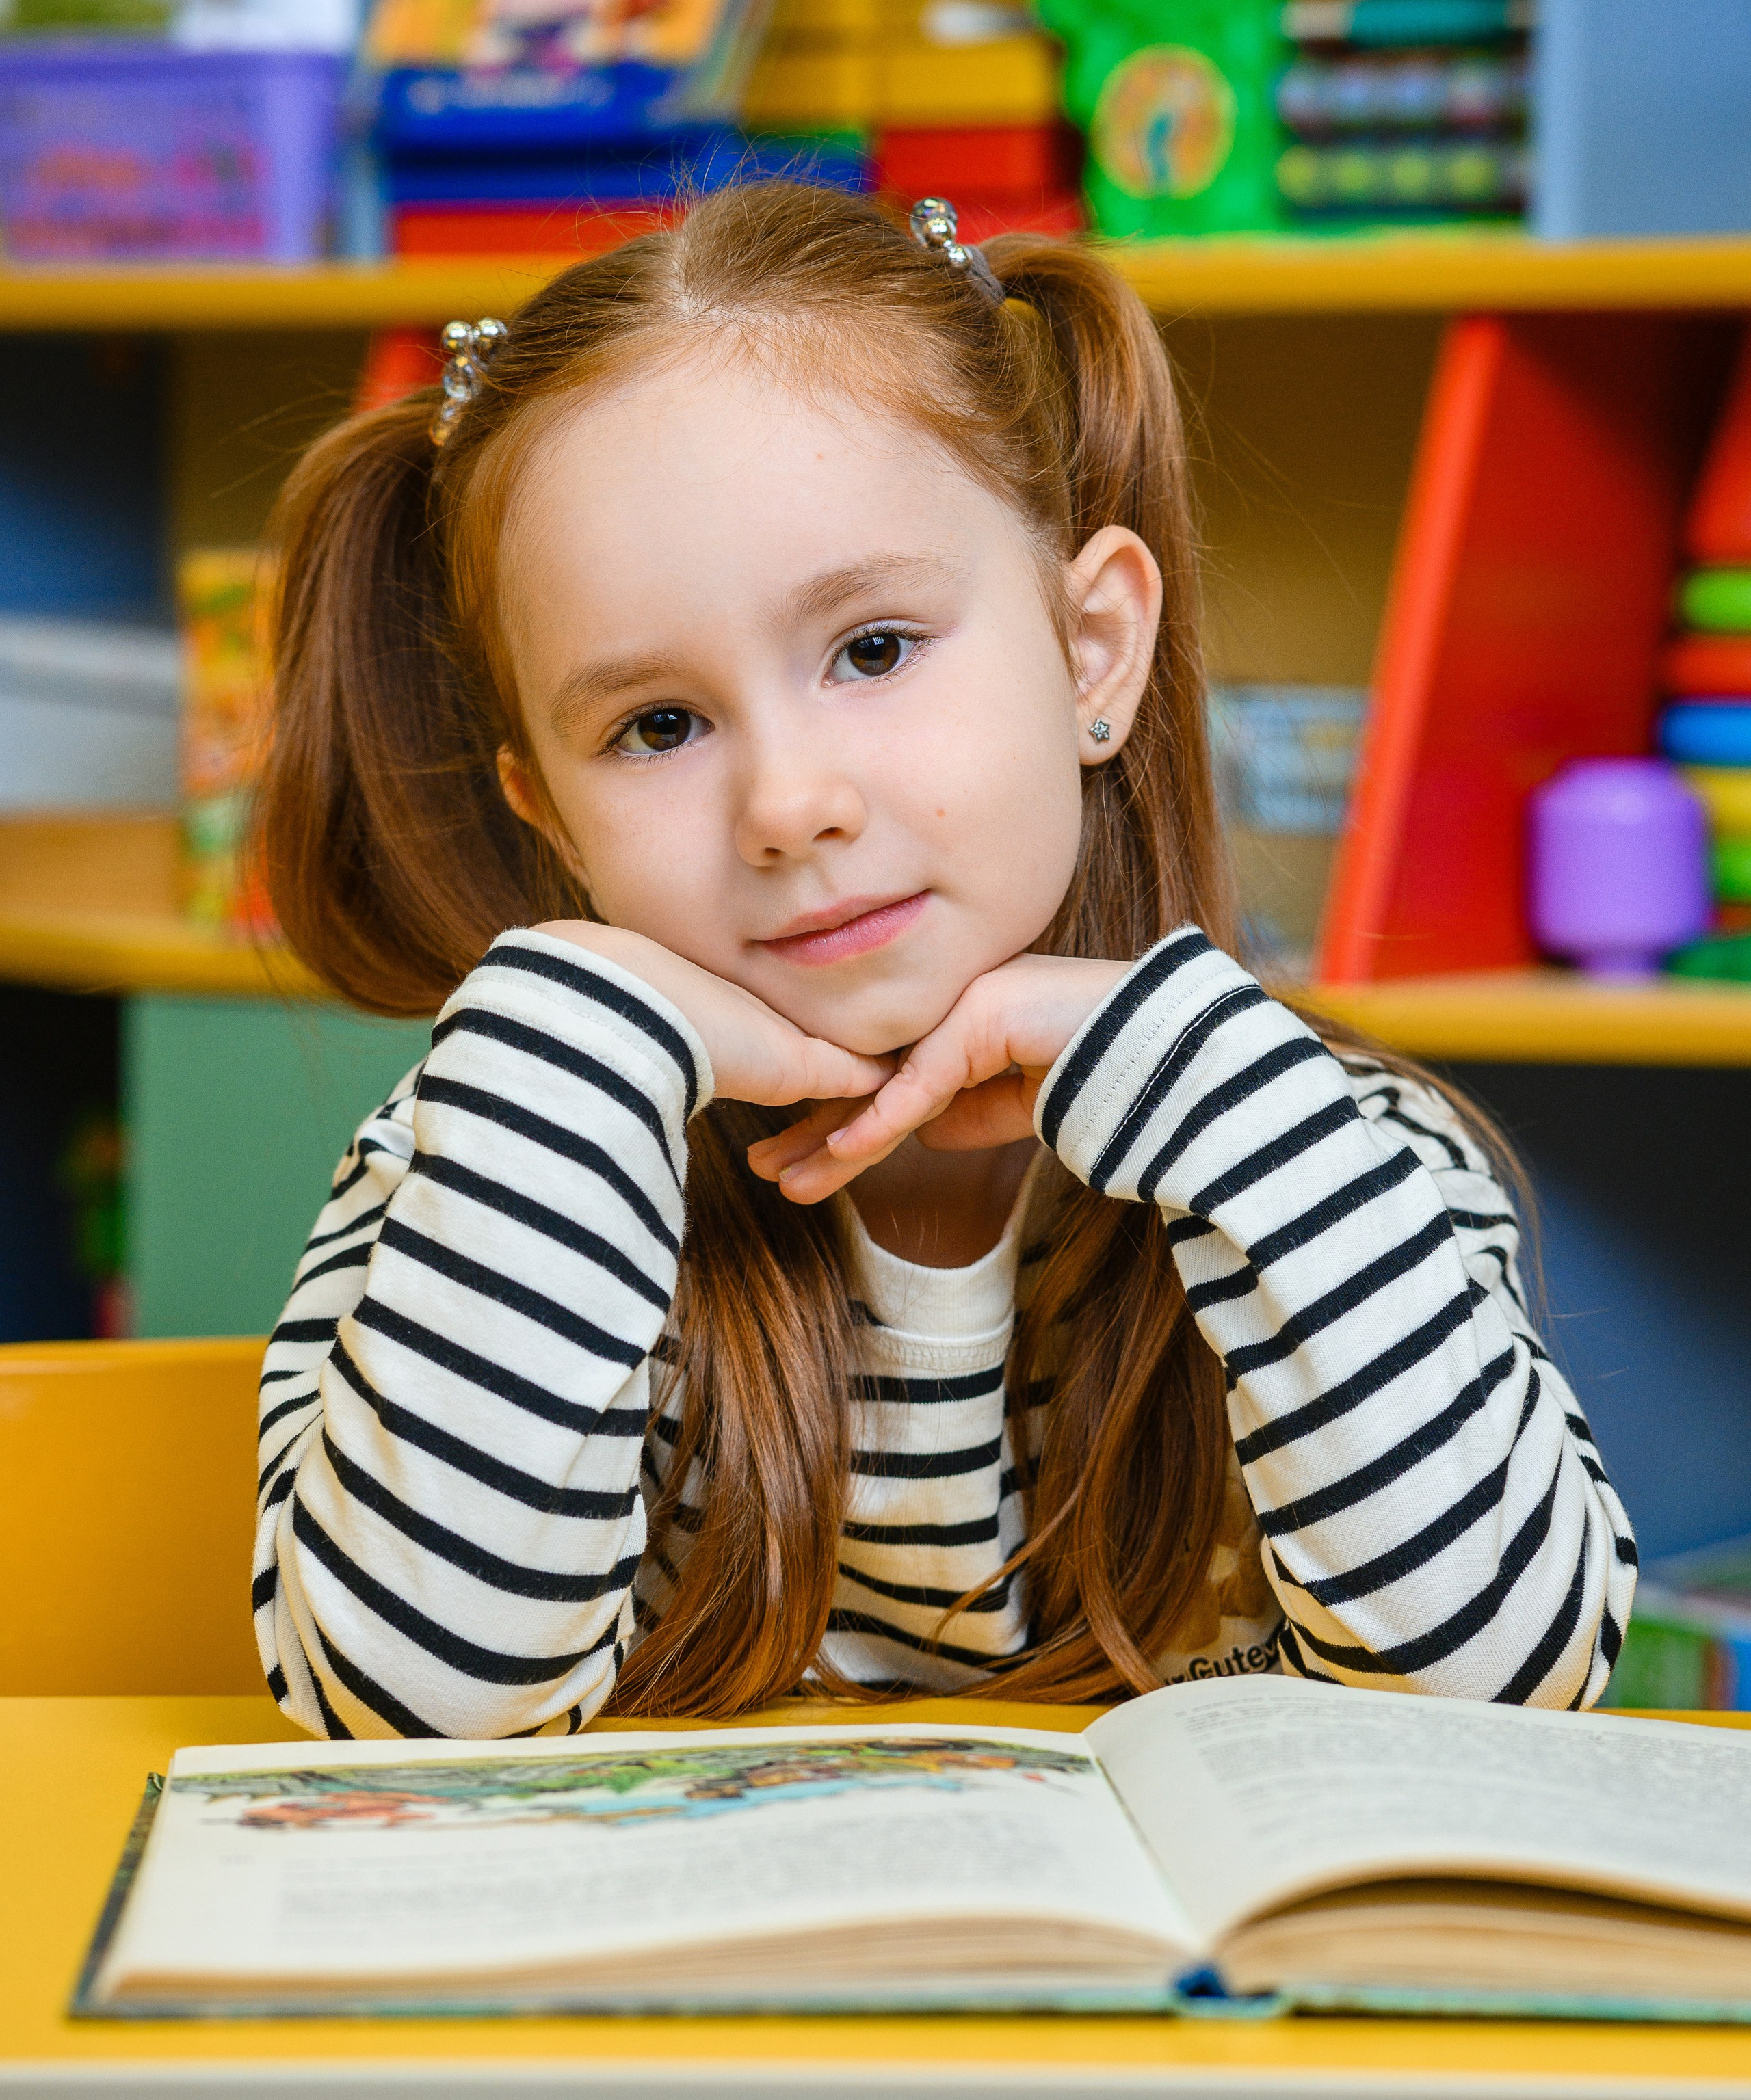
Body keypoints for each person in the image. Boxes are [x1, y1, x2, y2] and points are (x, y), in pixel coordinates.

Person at [252, 179, 1634, 1740]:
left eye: (873, 648)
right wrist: (563, 1045)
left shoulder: (1322, 1146)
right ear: (550, 815)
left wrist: (1219, 1089)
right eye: (654, 727)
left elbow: (1505, 1688)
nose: (787, 806)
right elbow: (410, 1720)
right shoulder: (495, 1158)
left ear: (1089, 649)